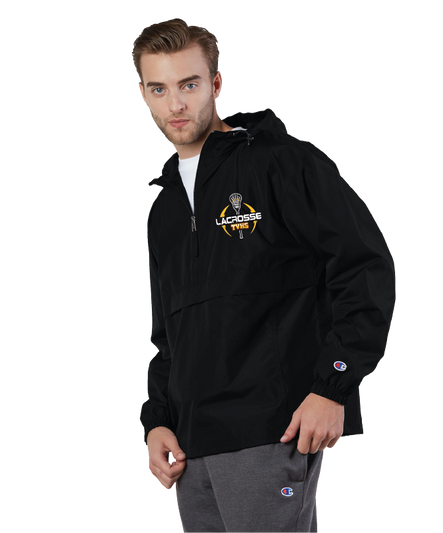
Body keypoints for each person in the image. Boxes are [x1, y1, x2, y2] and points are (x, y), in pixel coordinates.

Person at [132, 16, 397, 533]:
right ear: (142, 93)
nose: (176, 104)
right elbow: (168, 335)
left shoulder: (282, 163)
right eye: (159, 88)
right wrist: (158, 420)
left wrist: (333, 385)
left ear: (217, 83)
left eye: (189, 84)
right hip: (192, 446)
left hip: (272, 427)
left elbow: (365, 266)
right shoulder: (163, 210)